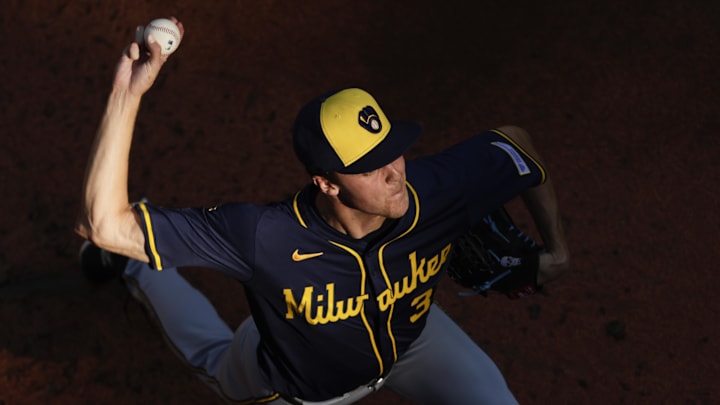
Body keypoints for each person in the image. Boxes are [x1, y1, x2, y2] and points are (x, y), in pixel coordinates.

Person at [76, 17, 570, 405]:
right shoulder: (263, 235)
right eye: (371, 166)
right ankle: (136, 269)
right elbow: (102, 224)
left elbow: (516, 147)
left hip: (415, 341)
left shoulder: (430, 191)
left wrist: (557, 251)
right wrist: (126, 93)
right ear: (326, 183)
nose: (395, 173)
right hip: (299, 392)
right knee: (211, 356)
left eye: (393, 149)